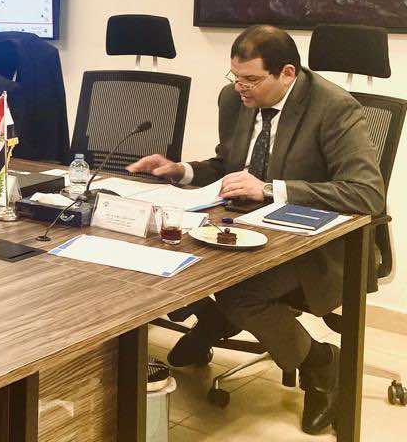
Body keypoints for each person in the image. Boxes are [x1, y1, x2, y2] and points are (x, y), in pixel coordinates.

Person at [127, 25, 383, 435]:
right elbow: (228, 165)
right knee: (162, 253)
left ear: (287, 73)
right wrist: (181, 170)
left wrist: (268, 189)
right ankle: (216, 320)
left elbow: (367, 193)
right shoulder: (234, 100)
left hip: (314, 245)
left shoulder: (334, 108)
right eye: (235, 76)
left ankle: (321, 363)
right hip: (241, 228)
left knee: (240, 292)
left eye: (251, 79)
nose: (239, 88)